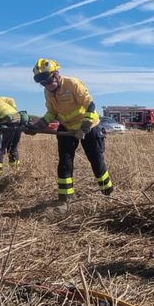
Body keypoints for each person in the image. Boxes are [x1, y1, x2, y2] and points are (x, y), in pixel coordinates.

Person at [25, 58, 113, 202]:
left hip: (89, 127)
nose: (47, 86)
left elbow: (90, 105)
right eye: (43, 84)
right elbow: (51, 113)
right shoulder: (48, 92)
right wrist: (37, 126)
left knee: (96, 160)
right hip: (67, 128)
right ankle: (65, 199)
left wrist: (84, 127)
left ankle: (108, 194)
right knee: (65, 163)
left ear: (56, 75)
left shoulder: (73, 84)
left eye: (48, 81)